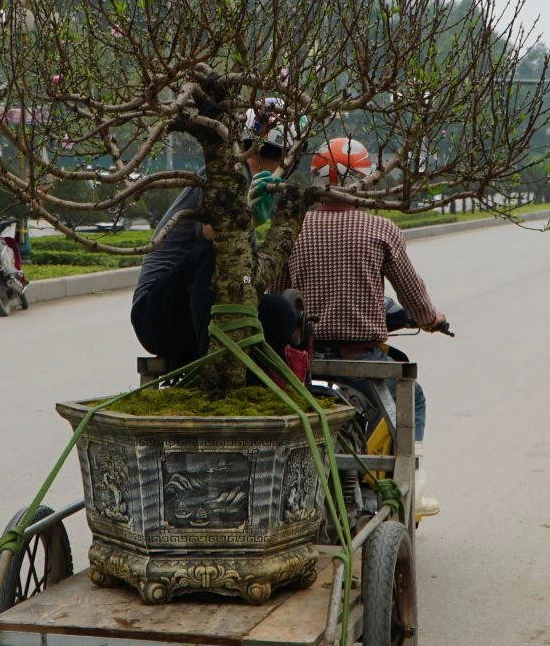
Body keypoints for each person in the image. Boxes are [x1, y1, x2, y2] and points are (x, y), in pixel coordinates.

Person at [288, 137, 447, 518]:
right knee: (416, 397)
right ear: (362, 181)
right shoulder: (380, 229)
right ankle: (413, 487)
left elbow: (278, 297)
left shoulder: (292, 230)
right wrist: (430, 319)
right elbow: (415, 299)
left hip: (303, 364)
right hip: (361, 363)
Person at [130, 105, 299, 369]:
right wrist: (248, 218)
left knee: (281, 313)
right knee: (211, 255)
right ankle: (211, 362)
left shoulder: (258, 186)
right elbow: (210, 231)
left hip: (199, 310)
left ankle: (258, 384)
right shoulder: (225, 175)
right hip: (159, 315)